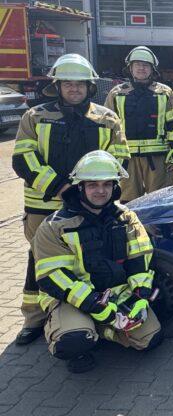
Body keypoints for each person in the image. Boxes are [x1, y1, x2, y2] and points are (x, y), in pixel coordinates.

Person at [12, 54, 129, 346]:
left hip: (93, 205)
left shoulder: (107, 118)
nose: (74, 89)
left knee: (91, 255)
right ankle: (34, 319)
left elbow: (120, 158)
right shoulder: (35, 116)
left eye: (79, 84)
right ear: (57, 86)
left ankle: (90, 314)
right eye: (67, 84)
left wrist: (99, 194)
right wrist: (62, 189)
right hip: (45, 205)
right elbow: (24, 158)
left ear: (90, 86)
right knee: (39, 262)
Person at [33, 151, 162, 373]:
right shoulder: (55, 226)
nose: (100, 191)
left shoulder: (126, 217)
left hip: (115, 293)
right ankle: (77, 331)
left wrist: (140, 294)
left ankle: (102, 330)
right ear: (80, 187)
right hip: (73, 299)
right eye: (93, 185)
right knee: (73, 342)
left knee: (150, 339)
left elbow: (140, 256)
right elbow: (53, 276)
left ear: (115, 187)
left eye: (107, 184)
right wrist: (94, 304)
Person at [104, 46, 173, 201]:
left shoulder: (164, 92)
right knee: (127, 200)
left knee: (159, 200)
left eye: (145, 65)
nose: (141, 68)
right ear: (130, 68)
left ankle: (155, 227)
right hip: (127, 159)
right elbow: (107, 127)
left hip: (158, 157)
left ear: (152, 69)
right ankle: (130, 226)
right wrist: (109, 155)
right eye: (137, 64)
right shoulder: (117, 93)